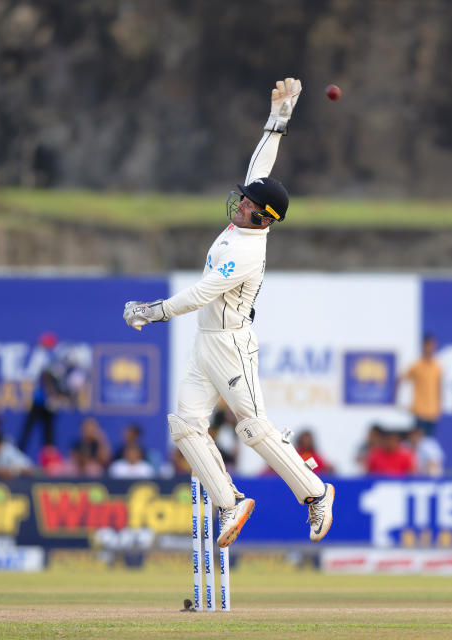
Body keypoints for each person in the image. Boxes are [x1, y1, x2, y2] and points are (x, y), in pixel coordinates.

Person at [122, 78, 334, 547]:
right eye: (242, 199)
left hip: (232, 344)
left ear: (263, 218)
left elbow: (198, 294)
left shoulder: (245, 252)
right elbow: (259, 168)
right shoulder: (246, 223)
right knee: (184, 425)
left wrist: (150, 312)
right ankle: (230, 502)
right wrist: (278, 120)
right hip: (206, 342)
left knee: (254, 428)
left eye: (248, 204)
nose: (238, 203)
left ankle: (316, 493)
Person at [19, 331, 66, 454]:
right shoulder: (44, 356)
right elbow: (44, 375)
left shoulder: (50, 356)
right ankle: (19, 455)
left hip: (48, 401)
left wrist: (53, 395)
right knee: (33, 430)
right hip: (41, 400)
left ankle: (48, 460)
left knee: (47, 432)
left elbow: (50, 377)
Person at [396, 334, 442, 435]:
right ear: (423, 346)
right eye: (428, 345)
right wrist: (398, 400)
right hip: (419, 412)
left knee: (429, 443)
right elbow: (400, 379)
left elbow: (439, 389)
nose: (430, 348)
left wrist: (439, 408)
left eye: (432, 346)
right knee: (418, 442)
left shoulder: (437, 367)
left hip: (432, 413)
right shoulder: (416, 365)